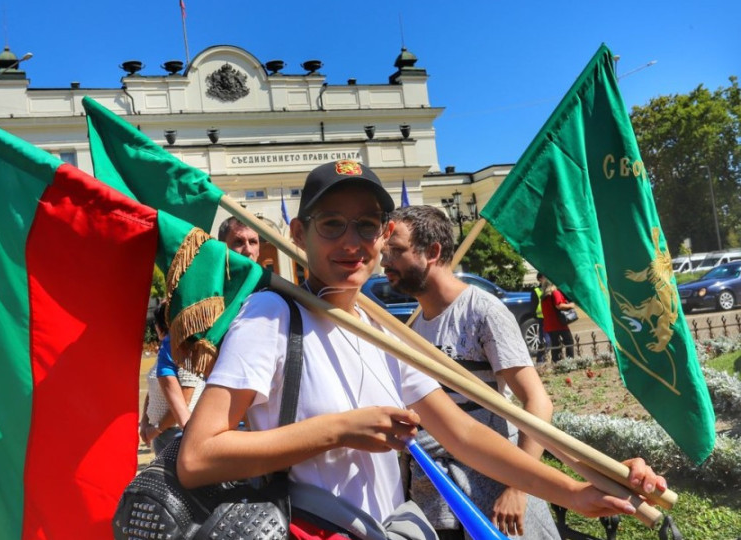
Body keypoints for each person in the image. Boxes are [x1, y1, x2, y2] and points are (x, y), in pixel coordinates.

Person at [177, 160, 665, 537]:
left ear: (383, 236)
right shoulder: (270, 317)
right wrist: (339, 429)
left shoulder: (379, 328)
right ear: (299, 234)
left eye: (367, 225)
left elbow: (466, 437)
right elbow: (198, 457)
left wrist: (576, 492)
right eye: (331, 225)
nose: (352, 242)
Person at [381, 205, 558, 539]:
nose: (385, 262)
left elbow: (538, 402)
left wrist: (518, 487)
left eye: (397, 252)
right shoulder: (413, 326)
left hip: (494, 500)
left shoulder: (482, 311)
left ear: (432, 252)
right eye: (385, 252)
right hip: (435, 499)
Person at [139, 302, 205, 455]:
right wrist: (145, 421)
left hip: (178, 434)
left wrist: (156, 429)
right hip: (160, 433)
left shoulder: (186, 351)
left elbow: (184, 401)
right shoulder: (165, 351)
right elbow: (153, 389)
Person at [539, 275, 576, 362]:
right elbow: (559, 305)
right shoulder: (555, 293)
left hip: (549, 325)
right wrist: (571, 305)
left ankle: (556, 362)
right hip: (559, 323)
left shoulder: (543, 296)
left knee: (555, 345)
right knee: (569, 342)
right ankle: (570, 362)